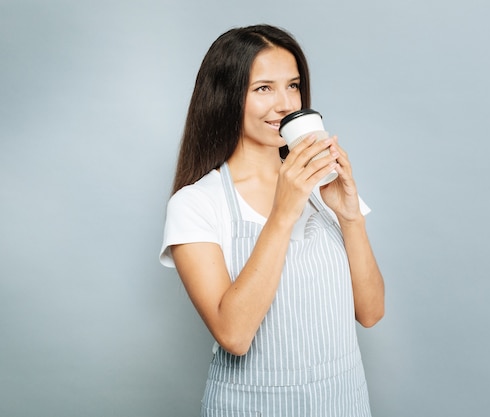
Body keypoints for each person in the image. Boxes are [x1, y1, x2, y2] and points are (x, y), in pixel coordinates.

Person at [159, 24, 385, 417]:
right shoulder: (196, 204)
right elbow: (234, 334)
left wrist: (350, 217)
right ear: (227, 97)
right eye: (263, 88)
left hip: (344, 401)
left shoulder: (322, 186)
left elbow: (370, 312)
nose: (284, 104)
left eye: (293, 86)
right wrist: (283, 212)